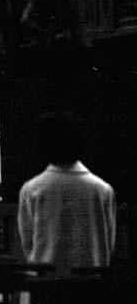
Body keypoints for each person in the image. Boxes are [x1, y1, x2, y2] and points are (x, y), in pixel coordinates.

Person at [17, 111, 116, 278]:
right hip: (90, 280)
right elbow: (108, 243)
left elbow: (28, 242)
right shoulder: (102, 190)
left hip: (45, 281)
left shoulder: (33, 189)